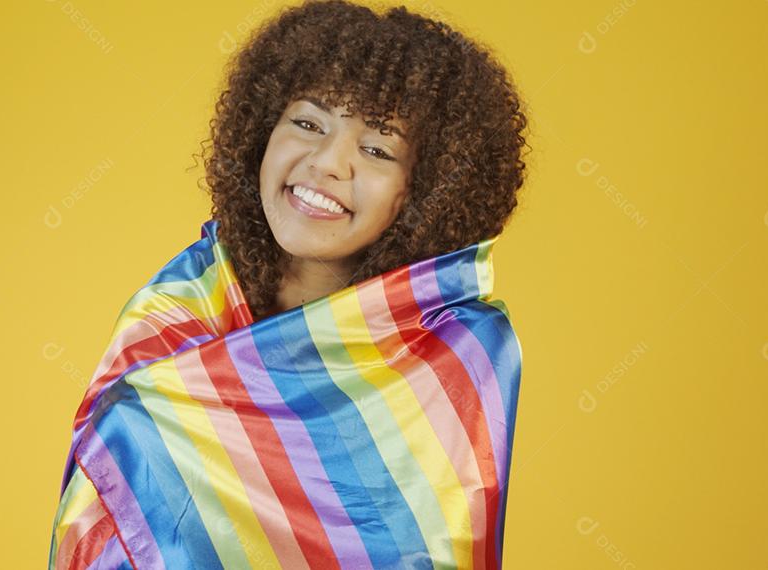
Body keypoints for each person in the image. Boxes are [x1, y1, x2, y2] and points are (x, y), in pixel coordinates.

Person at [49, 1, 529, 568]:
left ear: (427, 190)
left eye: (378, 149)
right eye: (308, 123)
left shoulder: (454, 350)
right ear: (261, 132)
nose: (327, 162)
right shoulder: (173, 311)